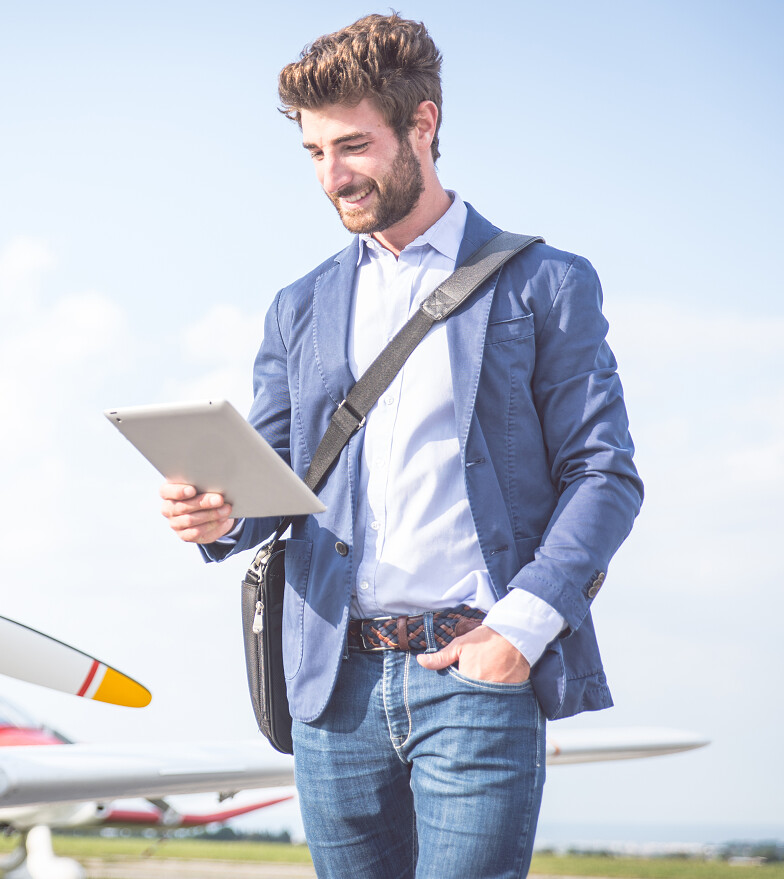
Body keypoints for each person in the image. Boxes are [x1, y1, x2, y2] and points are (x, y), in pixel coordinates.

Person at [158, 13, 642, 879]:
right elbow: (278, 482)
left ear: (423, 125)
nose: (332, 176)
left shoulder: (546, 283)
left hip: (474, 670)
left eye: (353, 146)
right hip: (330, 687)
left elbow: (604, 474)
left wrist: (519, 632)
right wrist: (216, 515)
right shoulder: (297, 305)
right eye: (313, 154)